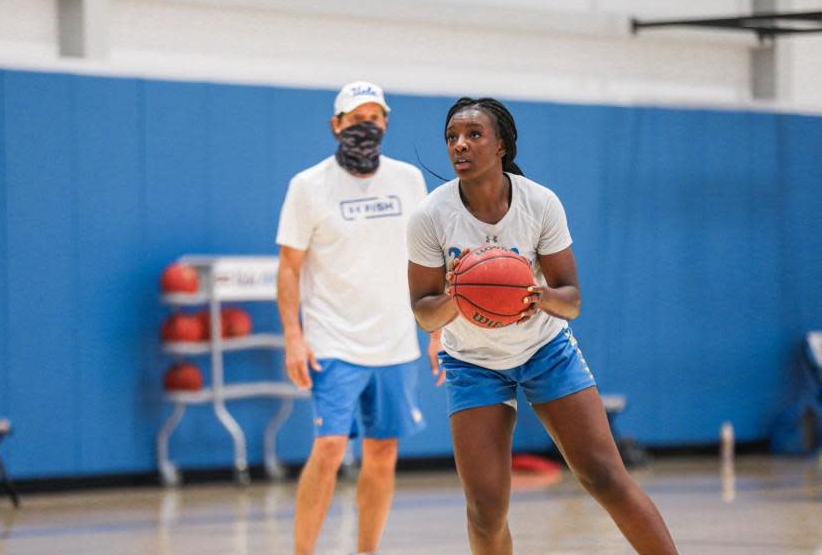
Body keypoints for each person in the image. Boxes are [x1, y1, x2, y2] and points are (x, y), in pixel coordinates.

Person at [406, 97, 678, 554]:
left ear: (502, 146)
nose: (460, 145)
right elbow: (423, 310)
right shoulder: (430, 216)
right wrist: (458, 299)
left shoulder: (539, 203)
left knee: (605, 475)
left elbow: (571, 300)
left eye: (474, 135)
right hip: (472, 363)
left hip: (546, 351)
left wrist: (539, 298)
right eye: (452, 137)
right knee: (485, 508)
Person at [276, 80, 442, 555]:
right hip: (332, 338)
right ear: (336, 125)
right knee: (329, 448)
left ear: (386, 123)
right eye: (355, 119)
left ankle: (367, 550)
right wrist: (294, 335)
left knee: (383, 452)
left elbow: (428, 256)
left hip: (393, 340)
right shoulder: (308, 186)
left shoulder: (409, 180)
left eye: (375, 118)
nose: (365, 127)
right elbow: (288, 268)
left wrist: (437, 329)